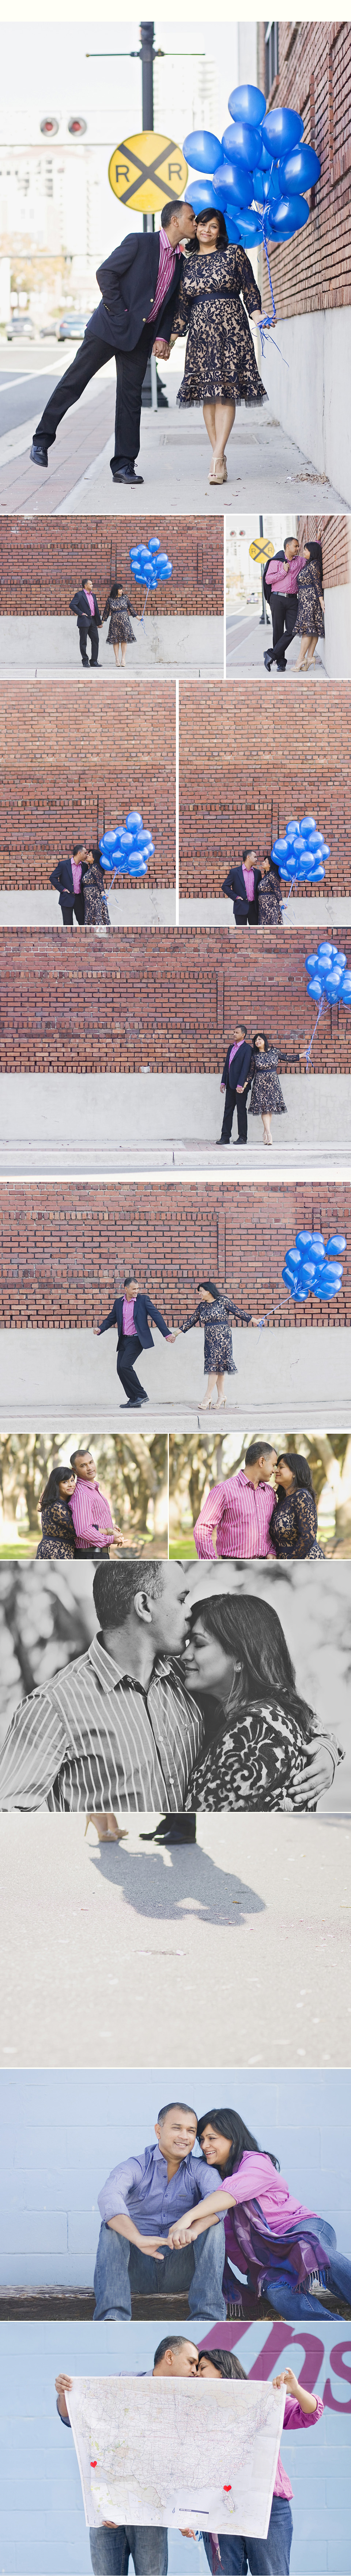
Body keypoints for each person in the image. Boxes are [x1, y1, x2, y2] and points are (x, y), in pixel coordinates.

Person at [0, 1561, 203, 1824]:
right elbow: (8, 1820)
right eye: (181, 1600)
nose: (190, 1613)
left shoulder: (191, 1678)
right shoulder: (53, 1705)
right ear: (144, 1606)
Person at [30, 200, 196, 485]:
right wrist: (121, 314)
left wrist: (160, 337)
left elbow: (168, 307)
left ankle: (124, 466)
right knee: (74, 382)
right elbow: (106, 274)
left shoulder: (180, 261)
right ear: (176, 221)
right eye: (192, 218)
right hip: (108, 329)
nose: (196, 223)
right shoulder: (139, 243)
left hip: (140, 338)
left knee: (131, 401)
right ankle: (41, 441)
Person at [182, 1590, 342, 1810]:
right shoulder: (275, 1712)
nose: (185, 1655)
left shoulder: (254, 1727)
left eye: (199, 1645)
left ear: (240, 1655)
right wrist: (330, 1746)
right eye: (188, 1643)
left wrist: (330, 1747)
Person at [55, 2333, 200, 2576]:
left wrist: (183, 2513)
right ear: (169, 2357)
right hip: (108, 2515)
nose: (196, 2371)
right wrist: (64, 2394)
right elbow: (72, 2417)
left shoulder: (189, 2406)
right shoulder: (120, 2383)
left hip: (151, 2517)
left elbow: (185, 2465)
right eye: (192, 2363)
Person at [191, 2104, 351, 2319]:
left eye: (212, 2138)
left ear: (233, 2139)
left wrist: (188, 2218)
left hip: (299, 2226)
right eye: (201, 2139)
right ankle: (335, 2330)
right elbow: (229, 2240)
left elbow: (232, 2192)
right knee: (277, 2292)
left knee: (312, 2248)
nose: (204, 2145)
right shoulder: (208, 2178)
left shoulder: (255, 2162)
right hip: (265, 2258)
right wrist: (254, 2271)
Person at [194, 2348, 324, 2575]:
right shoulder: (195, 2412)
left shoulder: (262, 2399)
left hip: (268, 2508)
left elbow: (310, 2413)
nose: (196, 2375)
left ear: (223, 2370)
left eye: (202, 2368)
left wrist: (295, 2390)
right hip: (218, 2507)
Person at [93, 2099, 226, 2320]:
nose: (185, 2136)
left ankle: (207, 2318)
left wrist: (192, 2229)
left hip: (181, 2268)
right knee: (112, 2224)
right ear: (158, 2131)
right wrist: (137, 2238)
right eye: (177, 2128)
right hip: (137, 2268)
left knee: (213, 2225)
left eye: (191, 2131)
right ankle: (113, 2319)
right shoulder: (136, 2166)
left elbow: (219, 2200)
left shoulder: (201, 2171)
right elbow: (109, 2197)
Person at [170, 208, 269, 487]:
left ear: (220, 231)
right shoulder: (187, 263)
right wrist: (173, 336)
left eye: (213, 227)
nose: (206, 231)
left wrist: (258, 315)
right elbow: (182, 305)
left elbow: (250, 288)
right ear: (196, 228)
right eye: (202, 225)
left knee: (225, 393)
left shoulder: (235, 254)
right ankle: (220, 457)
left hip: (231, 331)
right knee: (208, 396)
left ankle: (216, 457)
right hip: (201, 336)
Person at [94, 1273, 177, 1410]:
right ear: (126, 1289)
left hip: (137, 1339)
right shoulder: (118, 1303)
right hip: (124, 1340)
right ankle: (133, 1399)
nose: (137, 1291)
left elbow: (156, 1316)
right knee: (120, 1369)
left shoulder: (143, 1301)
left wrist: (167, 1334)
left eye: (138, 1289)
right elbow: (111, 1319)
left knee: (126, 1366)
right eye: (134, 1289)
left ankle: (141, 1394)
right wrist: (100, 1329)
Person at [180, 1280, 260, 1413]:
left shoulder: (223, 1301)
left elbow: (238, 1312)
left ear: (208, 1291)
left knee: (215, 1367)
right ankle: (222, 1396)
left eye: (201, 1291)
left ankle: (207, 1397)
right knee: (219, 1367)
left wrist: (255, 1321)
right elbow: (191, 1321)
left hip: (223, 1337)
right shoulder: (202, 1307)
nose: (199, 1294)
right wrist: (175, 1334)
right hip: (210, 1340)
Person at [192, 1438, 278, 1559]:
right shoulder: (224, 1490)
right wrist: (212, 1561)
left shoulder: (270, 1493)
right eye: (274, 1465)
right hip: (232, 1564)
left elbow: (274, 1529)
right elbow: (202, 1529)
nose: (275, 1470)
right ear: (262, 1462)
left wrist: (272, 1550)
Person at [249, 1030, 307, 1145]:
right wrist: (245, 1084)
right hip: (260, 1084)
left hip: (273, 1083)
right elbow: (251, 1072)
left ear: (265, 1041)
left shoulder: (274, 1051)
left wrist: (302, 1055)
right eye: (256, 1040)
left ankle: (266, 1133)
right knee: (265, 1108)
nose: (257, 1042)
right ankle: (269, 1135)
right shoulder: (254, 1055)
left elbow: (286, 1058)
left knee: (270, 1109)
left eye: (259, 1039)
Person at [68, 1446, 124, 1557]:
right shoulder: (82, 1494)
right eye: (83, 1466)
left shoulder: (93, 1490)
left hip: (98, 1554)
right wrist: (111, 1539)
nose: (90, 1468)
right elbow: (84, 1530)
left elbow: (93, 1522)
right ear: (75, 1471)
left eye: (91, 1463)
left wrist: (110, 1527)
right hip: (90, 1555)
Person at [269, 1452, 325, 1559]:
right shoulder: (282, 1500)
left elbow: (308, 1537)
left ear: (295, 1473)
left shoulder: (302, 1496)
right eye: (277, 1467)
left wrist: (291, 1562)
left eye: (281, 1467)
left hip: (305, 1560)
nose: (276, 1471)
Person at [263, 538, 307, 675]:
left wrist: (317, 542)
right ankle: (281, 663)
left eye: (299, 547)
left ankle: (271, 655)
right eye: (296, 546)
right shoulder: (276, 561)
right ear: (287, 547)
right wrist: (283, 571)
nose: (298, 548)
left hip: (293, 600)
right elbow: (268, 579)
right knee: (278, 630)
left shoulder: (299, 561)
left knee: (294, 629)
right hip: (278, 598)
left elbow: (310, 557)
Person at [218, 1026, 254, 1147]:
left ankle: (243, 1137)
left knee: (241, 1111)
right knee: (228, 1111)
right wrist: (224, 1082)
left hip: (241, 1087)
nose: (234, 1034)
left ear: (243, 1035)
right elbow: (227, 1066)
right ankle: (225, 1137)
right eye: (234, 1032)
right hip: (230, 1085)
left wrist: (241, 1085)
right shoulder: (231, 1047)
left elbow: (246, 1068)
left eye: (236, 1033)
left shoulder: (247, 1049)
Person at [294, 542, 325, 673]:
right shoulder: (309, 564)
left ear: (312, 551)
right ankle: (310, 657)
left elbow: (317, 583)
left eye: (306, 550)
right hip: (306, 600)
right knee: (313, 629)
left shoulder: (314, 564)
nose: (304, 552)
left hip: (310, 601)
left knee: (308, 629)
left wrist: (321, 600)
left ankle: (301, 659)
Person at [36, 1464, 78, 1558]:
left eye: (72, 1481)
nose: (71, 1485)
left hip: (61, 1551)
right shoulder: (57, 1506)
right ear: (56, 1485)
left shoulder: (60, 1503)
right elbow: (80, 1528)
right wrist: (108, 1531)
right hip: (55, 1552)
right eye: (65, 1482)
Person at [49, 845, 88, 928]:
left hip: (80, 900)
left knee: (84, 923)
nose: (86, 856)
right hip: (67, 898)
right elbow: (53, 878)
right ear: (79, 853)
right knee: (68, 925)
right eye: (85, 853)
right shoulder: (63, 865)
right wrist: (63, 889)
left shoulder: (85, 867)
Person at [102, 580, 136, 670]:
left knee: (124, 640)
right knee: (115, 640)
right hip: (115, 622)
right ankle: (117, 659)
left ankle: (123, 659)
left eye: (122, 590)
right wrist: (102, 621)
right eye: (120, 590)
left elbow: (131, 608)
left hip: (125, 622)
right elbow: (107, 611)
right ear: (116, 590)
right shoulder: (110, 600)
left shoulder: (125, 598)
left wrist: (138, 617)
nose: (122, 591)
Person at [222, 849, 261, 924]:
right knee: (241, 930)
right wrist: (236, 897)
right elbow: (225, 886)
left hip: (254, 908)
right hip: (240, 906)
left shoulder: (258, 873)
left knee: (255, 930)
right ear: (248, 858)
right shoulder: (235, 872)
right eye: (255, 857)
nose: (257, 859)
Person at [69, 579, 102, 668]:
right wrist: (81, 613)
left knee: (96, 640)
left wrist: (99, 622)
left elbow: (96, 609)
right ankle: (85, 662)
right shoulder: (79, 595)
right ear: (85, 585)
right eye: (91, 584)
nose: (92, 586)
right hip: (84, 621)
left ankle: (94, 661)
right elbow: (72, 605)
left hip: (93, 621)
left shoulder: (93, 595)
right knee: (84, 642)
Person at [82, 846, 116, 929]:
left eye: (90, 855)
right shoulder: (92, 868)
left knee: (96, 917)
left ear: (94, 858)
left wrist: (103, 893)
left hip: (94, 898)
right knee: (92, 917)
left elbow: (99, 881)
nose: (87, 856)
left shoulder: (95, 867)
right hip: (90, 899)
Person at [256, 854, 282, 927]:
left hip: (270, 906)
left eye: (266, 861)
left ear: (270, 865)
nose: (263, 863)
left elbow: (276, 889)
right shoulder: (267, 875)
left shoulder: (272, 875)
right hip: (264, 907)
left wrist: (281, 902)